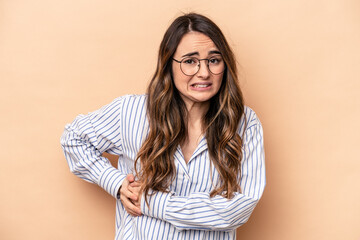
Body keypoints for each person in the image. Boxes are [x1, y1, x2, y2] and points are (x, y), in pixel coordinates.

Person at [61, 12, 266, 240]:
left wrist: (155, 203)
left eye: (214, 60)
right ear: (169, 64)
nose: (204, 72)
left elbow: (239, 208)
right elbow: (73, 138)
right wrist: (116, 183)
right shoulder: (131, 112)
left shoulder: (245, 123)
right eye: (190, 61)